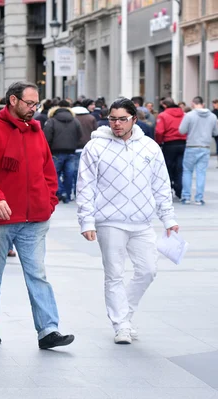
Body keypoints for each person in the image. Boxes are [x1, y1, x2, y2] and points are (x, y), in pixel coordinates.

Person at [0, 81, 74, 349]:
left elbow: (47, 169)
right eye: (30, 103)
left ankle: (49, 330)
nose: (34, 108)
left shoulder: (36, 131)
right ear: (13, 101)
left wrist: (49, 201)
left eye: (36, 103)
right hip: (2, 218)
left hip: (35, 218)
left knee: (37, 274)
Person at [77, 98, 178, 344]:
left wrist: (168, 218)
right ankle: (121, 324)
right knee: (114, 274)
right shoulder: (95, 147)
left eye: (123, 119)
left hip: (142, 221)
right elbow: (85, 186)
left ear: (134, 118)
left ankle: (125, 315)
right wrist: (86, 221)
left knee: (148, 270)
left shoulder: (150, 147)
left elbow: (161, 185)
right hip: (109, 221)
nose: (117, 124)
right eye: (113, 118)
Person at [178, 96, 218, 205]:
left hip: (191, 145)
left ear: (192, 103)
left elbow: (182, 130)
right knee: (201, 173)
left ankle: (186, 197)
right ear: (203, 103)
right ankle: (199, 198)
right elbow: (216, 132)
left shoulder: (189, 115)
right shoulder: (213, 117)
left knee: (187, 171)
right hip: (205, 147)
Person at [44, 100, 82, 203]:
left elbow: (47, 136)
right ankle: (68, 195)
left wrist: (48, 149)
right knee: (69, 174)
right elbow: (80, 135)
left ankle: (61, 191)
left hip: (56, 152)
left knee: (54, 173)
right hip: (71, 151)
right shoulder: (75, 121)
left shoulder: (52, 121)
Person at [155, 97, 186, 199]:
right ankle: (179, 189)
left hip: (169, 143)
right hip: (183, 142)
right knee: (180, 167)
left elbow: (159, 131)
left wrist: (159, 142)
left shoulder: (163, 115)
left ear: (164, 105)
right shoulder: (184, 114)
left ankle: (169, 187)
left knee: (168, 167)